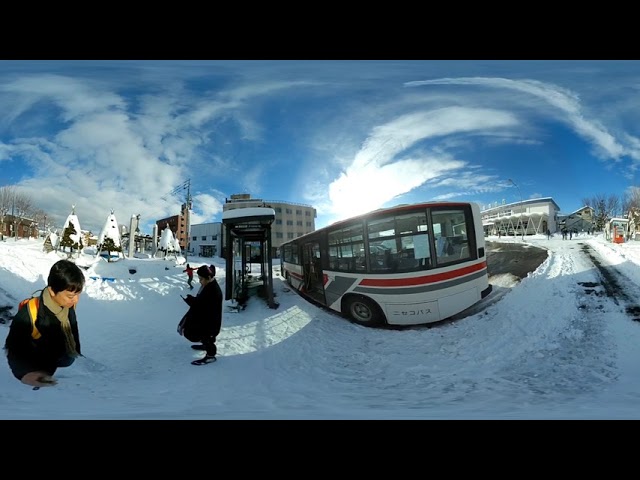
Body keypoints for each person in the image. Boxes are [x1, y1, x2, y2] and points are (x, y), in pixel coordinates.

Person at [4, 259, 85, 388]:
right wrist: (25, 374)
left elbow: (72, 327)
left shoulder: (67, 305)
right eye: (71, 296)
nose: (76, 300)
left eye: (78, 294)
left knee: (68, 359)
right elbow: (13, 349)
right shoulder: (30, 313)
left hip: (61, 355)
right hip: (36, 361)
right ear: (52, 291)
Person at [181, 265, 223, 365]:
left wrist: (191, 301)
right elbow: (202, 303)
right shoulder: (208, 285)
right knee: (201, 335)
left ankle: (210, 356)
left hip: (210, 322)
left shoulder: (213, 290)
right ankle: (205, 345)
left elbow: (204, 306)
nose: (200, 281)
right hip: (205, 319)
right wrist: (192, 300)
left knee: (205, 335)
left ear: (208, 278)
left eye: (201, 279)